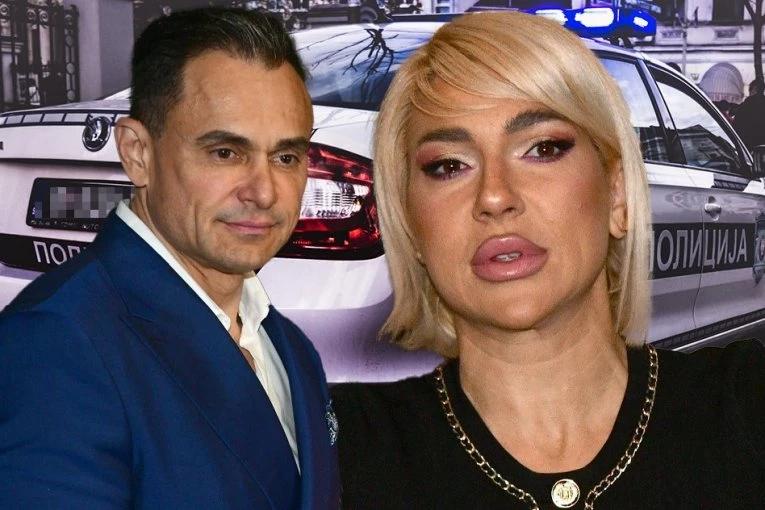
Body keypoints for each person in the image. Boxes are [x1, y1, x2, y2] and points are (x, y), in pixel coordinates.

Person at [331, 11, 765, 509]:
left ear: (617, 195)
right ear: (411, 225)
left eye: (542, 148)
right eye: (449, 166)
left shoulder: (746, 405)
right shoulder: (337, 453)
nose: (494, 196)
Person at [0, 8, 340, 509]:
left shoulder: (291, 348)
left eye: (286, 157)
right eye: (225, 153)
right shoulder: (56, 346)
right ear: (137, 153)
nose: (265, 192)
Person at [733, 78, 765, 151]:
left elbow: (736, 126)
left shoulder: (746, 105)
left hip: (748, 147)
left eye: (749, 90)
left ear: (754, 89)